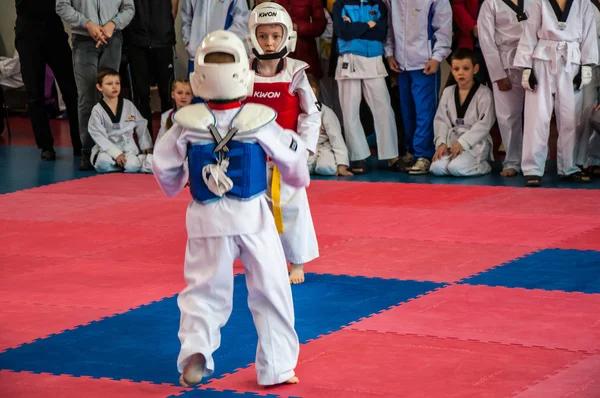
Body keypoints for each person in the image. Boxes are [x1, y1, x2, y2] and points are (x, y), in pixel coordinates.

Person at [152, 30, 305, 388]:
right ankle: (277, 368)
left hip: (205, 218)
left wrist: (175, 185)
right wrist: (296, 181)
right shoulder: (260, 119)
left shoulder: (185, 123)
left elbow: (163, 164)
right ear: (244, 74)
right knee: (271, 290)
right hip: (252, 217)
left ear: (198, 77)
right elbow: (291, 158)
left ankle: (196, 353)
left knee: (203, 290)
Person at [244, 2, 320, 284]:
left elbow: (311, 114)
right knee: (251, 209)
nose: (269, 42)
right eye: (263, 36)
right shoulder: (242, 73)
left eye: (275, 35)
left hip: (285, 156)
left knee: (293, 206)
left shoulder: (296, 72)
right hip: (250, 154)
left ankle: (297, 262)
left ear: (287, 36)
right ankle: (259, 257)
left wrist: (303, 150)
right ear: (253, 37)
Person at [513, 0, 598, 186]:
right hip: (542, 58)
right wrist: (526, 68)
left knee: (570, 117)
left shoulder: (583, 3)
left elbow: (590, 34)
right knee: (537, 116)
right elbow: (529, 32)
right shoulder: (539, 2)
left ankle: (568, 167)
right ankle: (532, 168)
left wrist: (587, 66)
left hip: (572, 61)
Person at [56, 0, 135, 170]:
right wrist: (87, 24)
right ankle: (87, 150)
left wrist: (113, 24)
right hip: (83, 39)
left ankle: (110, 148)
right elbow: (61, 5)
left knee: (108, 94)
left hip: (112, 39)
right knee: (87, 96)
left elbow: (129, 8)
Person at [331, 0, 401, 174]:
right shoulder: (341, 4)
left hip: (374, 59)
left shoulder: (379, 4)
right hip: (348, 58)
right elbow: (342, 32)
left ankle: (392, 156)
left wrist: (356, 27)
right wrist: (368, 25)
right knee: (350, 111)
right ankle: (358, 156)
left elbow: (380, 32)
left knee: (383, 108)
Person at [386, 0, 453, 174]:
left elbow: (443, 27)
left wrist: (437, 57)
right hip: (401, 64)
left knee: (425, 111)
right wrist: (390, 53)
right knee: (407, 112)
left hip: (425, 63)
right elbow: (389, 27)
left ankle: (424, 155)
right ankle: (411, 151)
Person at [15, 0, 81, 160]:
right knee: (34, 94)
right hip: (27, 32)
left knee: (71, 90)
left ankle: (80, 143)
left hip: (53, 29)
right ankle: (45, 146)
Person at [478, 0, 532, 177]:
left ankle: (535, 160)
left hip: (532, 61)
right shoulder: (490, 3)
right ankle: (512, 161)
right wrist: (498, 74)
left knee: (536, 116)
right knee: (508, 116)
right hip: (505, 63)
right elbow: (486, 40)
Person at [430, 48, 496, 177]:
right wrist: (441, 143)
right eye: (456, 69)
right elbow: (441, 120)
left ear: (475, 69)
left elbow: (484, 124)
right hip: (453, 141)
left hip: (476, 142)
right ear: (452, 71)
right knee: (436, 168)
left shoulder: (484, 93)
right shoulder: (448, 92)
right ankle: (461, 161)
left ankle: (484, 165)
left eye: (466, 68)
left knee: (456, 169)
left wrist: (463, 142)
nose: (461, 73)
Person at [124, 0, 178, 134]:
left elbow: (173, 8)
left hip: (163, 41)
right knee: (141, 95)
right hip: (137, 43)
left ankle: (168, 137)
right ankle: (145, 141)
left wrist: (164, 26)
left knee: (167, 94)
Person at [88, 68, 153, 173]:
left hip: (127, 146)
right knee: (101, 165)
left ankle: (131, 163)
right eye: (109, 84)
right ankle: (122, 165)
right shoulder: (97, 110)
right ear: (99, 87)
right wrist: (115, 153)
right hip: (108, 147)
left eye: (117, 83)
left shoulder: (128, 105)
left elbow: (141, 124)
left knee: (132, 167)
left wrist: (146, 144)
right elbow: (97, 133)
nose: (114, 87)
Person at [181, 0, 249, 76]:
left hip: (223, 58)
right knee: (194, 87)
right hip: (196, 57)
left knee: (222, 86)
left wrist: (221, 43)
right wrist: (189, 43)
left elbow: (241, 23)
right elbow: (186, 19)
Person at [306, 74, 352, 176]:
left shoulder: (326, 112)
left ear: (312, 91)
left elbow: (336, 138)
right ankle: (312, 166)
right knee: (298, 171)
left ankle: (323, 164)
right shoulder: (297, 111)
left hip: (325, 147)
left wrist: (342, 165)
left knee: (326, 168)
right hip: (307, 148)